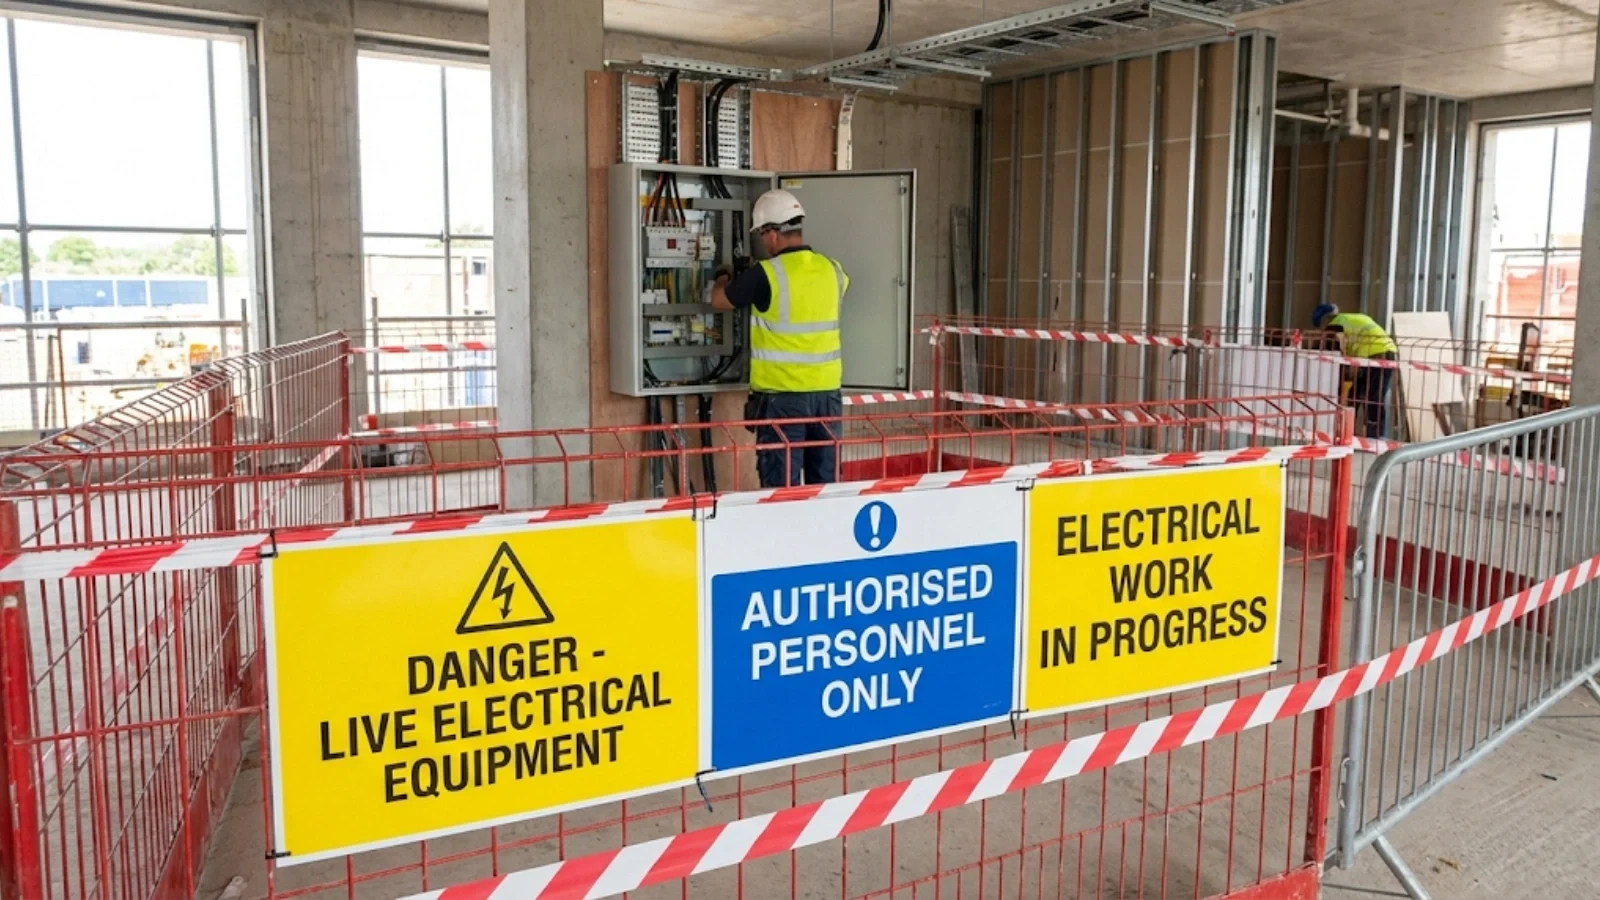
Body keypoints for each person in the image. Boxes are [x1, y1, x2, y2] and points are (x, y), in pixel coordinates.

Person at [711, 189, 848, 487]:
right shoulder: (833, 270)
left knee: (780, 490)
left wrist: (723, 275)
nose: (763, 242)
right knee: (825, 487)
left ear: (772, 233)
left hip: (783, 400)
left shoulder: (766, 274)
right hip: (828, 397)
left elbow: (720, 301)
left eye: (762, 235)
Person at [1312, 303, 1398, 439]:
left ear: (1324, 320)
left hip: (1377, 354)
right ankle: (1353, 434)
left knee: (1372, 397)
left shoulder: (1335, 325)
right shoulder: (1347, 319)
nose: (1323, 332)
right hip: (1381, 352)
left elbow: (1337, 351)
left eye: (1320, 327)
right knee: (1357, 394)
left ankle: (1375, 437)